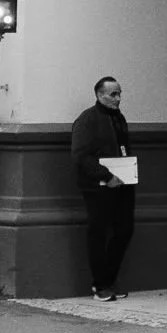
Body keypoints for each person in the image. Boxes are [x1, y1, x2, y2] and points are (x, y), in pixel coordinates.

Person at [70, 73, 135, 298]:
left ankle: (109, 279)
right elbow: (81, 156)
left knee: (125, 229)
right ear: (99, 95)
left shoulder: (119, 118)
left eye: (119, 94)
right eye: (113, 94)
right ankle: (100, 284)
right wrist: (106, 176)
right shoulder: (87, 120)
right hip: (97, 187)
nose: (118, 98)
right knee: (98, 232)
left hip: (123, 183)